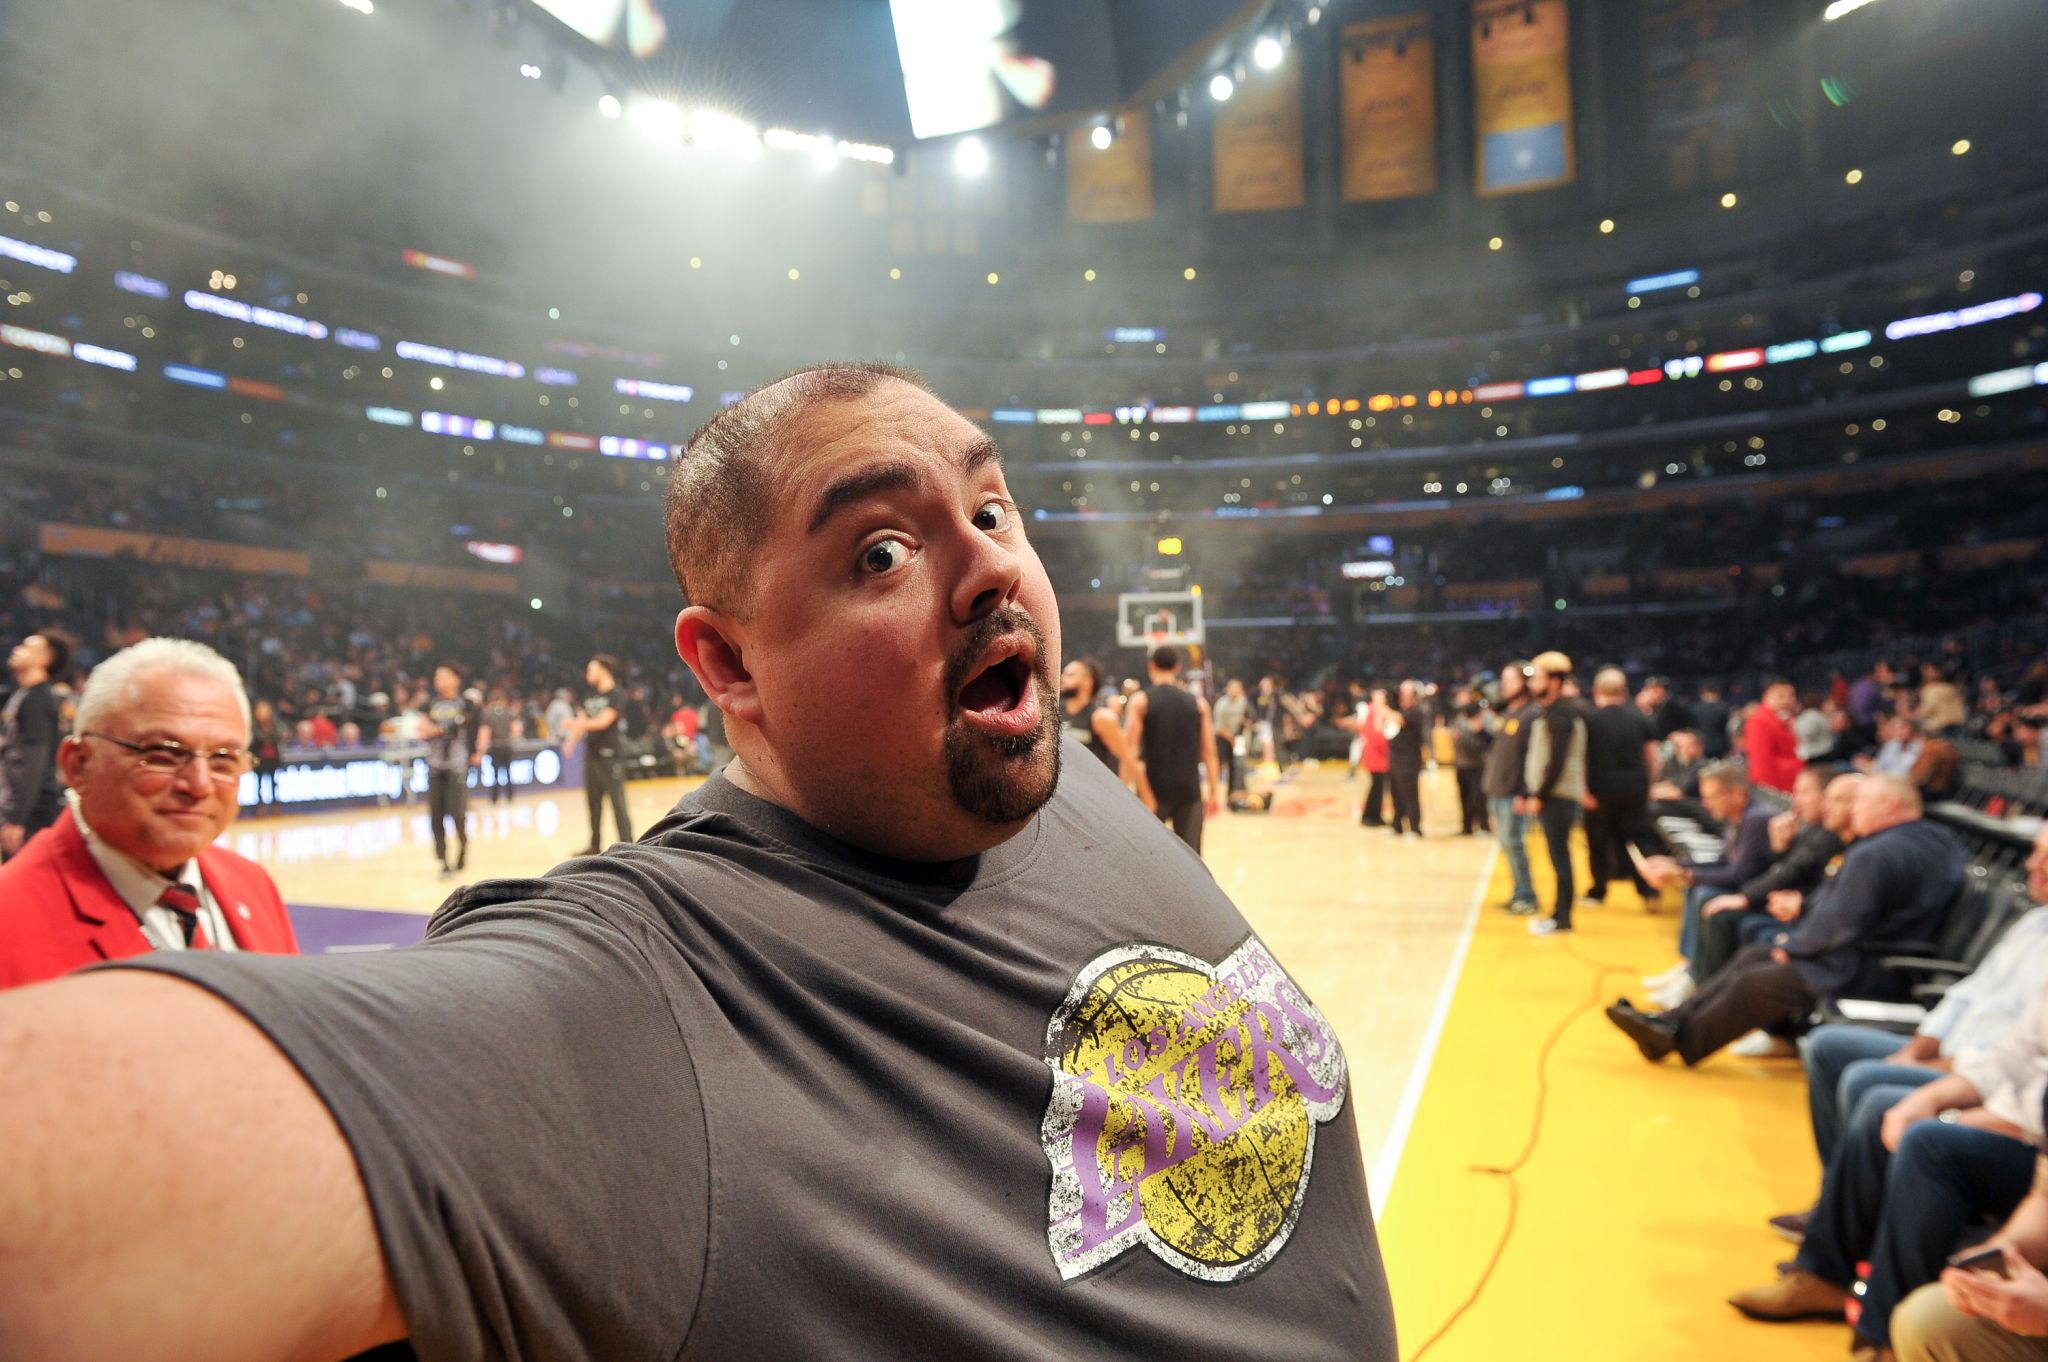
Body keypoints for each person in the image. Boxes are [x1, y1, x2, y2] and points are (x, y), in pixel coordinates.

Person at [0, 363, 1395, 1359]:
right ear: (727, 661)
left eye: (991, 508)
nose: (986, 569)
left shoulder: (1039, 763)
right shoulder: (643, 998)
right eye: (882, 548)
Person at [1727, 979, 2045, 1356]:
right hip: (2002, 1097)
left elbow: (2029, 1114)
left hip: (2017, 1122)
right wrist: (1997, 1255)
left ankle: (1881, 1340)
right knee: (1881, 1101)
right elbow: (2012, 1054)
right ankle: (1829, 1277)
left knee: (1928, 1144)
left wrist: (1952, 1118)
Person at [1777, 823, 2048, 1245]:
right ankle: (1840, 1204)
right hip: (1954, 1054)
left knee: (1869, 1085)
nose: (2034, 865)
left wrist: (1945, 1072)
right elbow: (1966, 992)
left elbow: (2019, 1060)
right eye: (2035, 852)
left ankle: (1848, 1229)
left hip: (1978, 1075)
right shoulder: (2034, 922)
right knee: (1827, 1046)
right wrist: (1919, 1049)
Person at [0, 638, 299, 989]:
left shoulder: (253, 884)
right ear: (78, 766)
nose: (199, 784)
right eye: (162, 754)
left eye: (224, 759)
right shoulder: (11, 919)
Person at [1606, 777, 1964, 1068]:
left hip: (1870, 965)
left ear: (1890, 806)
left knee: (1758, 981)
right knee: (1752, 957)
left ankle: (1675, 1040)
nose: (1852, 810)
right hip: (1880, 952)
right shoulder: (1938, 838)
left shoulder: (1876, 852)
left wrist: (1793, 948)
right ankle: (1669, 1022)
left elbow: (1844, 918)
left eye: (1859, 803)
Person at [1690, 768, 1855, 989]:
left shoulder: (1827, 833)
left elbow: (1790, 872)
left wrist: (1745, 898)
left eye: (1805, 792)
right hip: (1794, 906)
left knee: (1727, 913)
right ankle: (1699, 982)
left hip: (1807, 918)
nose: (1797, 801)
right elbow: (1790, 867)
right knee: (1718, 904)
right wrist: (1780, 847)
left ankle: (1702, 985)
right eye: (1796, 792)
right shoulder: (1812, 828)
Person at [1639, 760, 1780, 1001]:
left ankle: (1699, 981)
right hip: (1742, 889)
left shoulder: (1757, 818)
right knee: (1695, 889)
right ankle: (1689, 967)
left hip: (1757, 897)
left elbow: (1740, 875)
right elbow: (1722, 861)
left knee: (1705, 894)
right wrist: (1676, 866)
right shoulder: (1740, 815)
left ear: (1736, 794)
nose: (1705, 804)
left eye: (1712, 797)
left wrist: (1684, 874)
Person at [1124, 644, 1222, 853]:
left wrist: (1124, 788)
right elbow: (1210, 752)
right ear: (1177, 667)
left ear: (1151, 667)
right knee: (1192, 863)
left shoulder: (1141, 701)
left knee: (1149, 859)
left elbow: (1128, 751)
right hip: (1189, 791)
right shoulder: (1198, 703)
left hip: (1153, 791)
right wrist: (1214, 791)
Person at [1522, 651, 1590, 936]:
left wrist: (1540, 793)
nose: (1533, 683)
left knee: (1559, 856)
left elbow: (1557, 760)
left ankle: (1562, 918)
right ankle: (1557, 914)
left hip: (1557, 796)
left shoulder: (1562, 713)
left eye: (1538, 677)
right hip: (1554, 795)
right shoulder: (1553, 710)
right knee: (1557, 856)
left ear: (1553, 680)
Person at [1582, 666, 1657, 907]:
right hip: (1634, 789)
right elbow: (1652, 756)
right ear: (1624, 691)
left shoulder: (1590, 720)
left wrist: (1583, 791)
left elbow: (1580, 759)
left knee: (1598, 843)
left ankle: (1599, 890)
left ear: (1596, 691)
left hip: (1599, 791)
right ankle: (1649, 892)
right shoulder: (1640, 718)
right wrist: (1650, 785)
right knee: (1638, 841)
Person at [1, 630, 71, 858]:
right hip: (21, 810)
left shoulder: (37, 700)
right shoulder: (26, 695)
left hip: (30, 815)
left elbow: (34, 762)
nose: (17, 649)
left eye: (27, 647)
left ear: (44, 660)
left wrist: (17, 819)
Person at [1482, 660, 1540, 914]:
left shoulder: (1531, 715)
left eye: (1511, 681)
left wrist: (1524, 793)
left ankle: (1527, 896)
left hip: (1513, 794)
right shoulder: (1510, 713)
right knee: (1507, 845)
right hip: (1498, 790)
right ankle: (1518, 891)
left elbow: (1532, 759)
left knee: (1515, 844)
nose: (1504, 686)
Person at [419, 663, 486, 876]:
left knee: (458, 815)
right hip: (435, 767)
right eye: (437, 676)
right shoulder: (430, 704)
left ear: (456, 679)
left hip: (457, 766)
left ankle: (463, 846)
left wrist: (478, 751)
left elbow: (477, 727)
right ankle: (444, 861)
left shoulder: (466, 704)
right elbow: (423, 730)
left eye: (444, 676)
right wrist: (443, 728)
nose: (438, 680)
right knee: (436, 817)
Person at [562, 652, 632, 854]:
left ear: (604, 670)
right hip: (591, 756)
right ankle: (594, 844)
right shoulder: (590, 696)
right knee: (593, 803)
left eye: (591, 669)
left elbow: (604, 721)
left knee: (618, 803)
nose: (587, 673)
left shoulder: (616, 694)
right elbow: (582, 720)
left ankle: (627, 844)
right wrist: (571, 740)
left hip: (611, 756)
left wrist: (576, 723)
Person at [1057, 657, 1124, 773]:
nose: (1063, 678)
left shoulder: (1101, 717)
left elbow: (1125, 760)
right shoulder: (1055, 711)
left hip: (1090, 786)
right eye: (1064, 674)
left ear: (1088, 681)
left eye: (1070, 675)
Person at [1745, 678, 1806, 793]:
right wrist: (1769, 794)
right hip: (1777, 789)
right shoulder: (1760, 721)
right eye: (1781, 696)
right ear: (1767, 696)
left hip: (1790, 783)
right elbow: (1762, 763)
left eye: (1790, 696)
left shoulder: (1784, 719)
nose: (1787, 701)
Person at [1386, 679, 1428, 838]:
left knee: (1410, 794)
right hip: (1395, 757)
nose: (1401, 695)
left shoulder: (1417, 710)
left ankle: (1415, 828)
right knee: (1395, 793)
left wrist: (1380, 705)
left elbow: (1399, 720)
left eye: (1405, 692)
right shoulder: (1398, 710)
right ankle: (1397, 826)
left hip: (1409, 759)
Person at [1453, 706, 1490, 836]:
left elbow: (1482, 747)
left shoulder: (1483, 725)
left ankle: (1484, 826)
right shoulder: (1458, 723)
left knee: (1478, 798)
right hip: (1461, 766)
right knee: (1464, 797)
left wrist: (1476, 731)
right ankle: (1466, 827)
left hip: (1477, 766)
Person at [1359, 685, 1392, 828]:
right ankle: (1370, 817)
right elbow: (1377, 736)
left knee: (1377, 787)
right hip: (1376, 756)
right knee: (1376, 787)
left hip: (1375, 755)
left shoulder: (1371, 711)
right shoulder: (1374, 712)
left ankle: (1374, 815)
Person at [1212, 676, 1249, 797]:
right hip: (1222, 737)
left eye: (1238, 688)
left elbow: (1246, 718)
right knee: (1220, 765)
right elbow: (1219, 726)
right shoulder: (1221, 704)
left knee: (1236, 765)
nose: (1235, 690)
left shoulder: (1243, 702)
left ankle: (1233, 793)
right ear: (1227, 689)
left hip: (1237, 737)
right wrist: (1231, 739)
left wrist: (1246, 724)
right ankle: (1214, 793)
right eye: (1233, 688)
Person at [481, 687, 518, 803]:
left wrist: (482, 746)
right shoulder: (508, 713)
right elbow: (516, 730)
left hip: (495, 746)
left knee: (495, 774)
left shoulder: (488, 714)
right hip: (506, 745)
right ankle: (510, 797)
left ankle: (494, 798)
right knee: (508, 772)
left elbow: (485, 732)